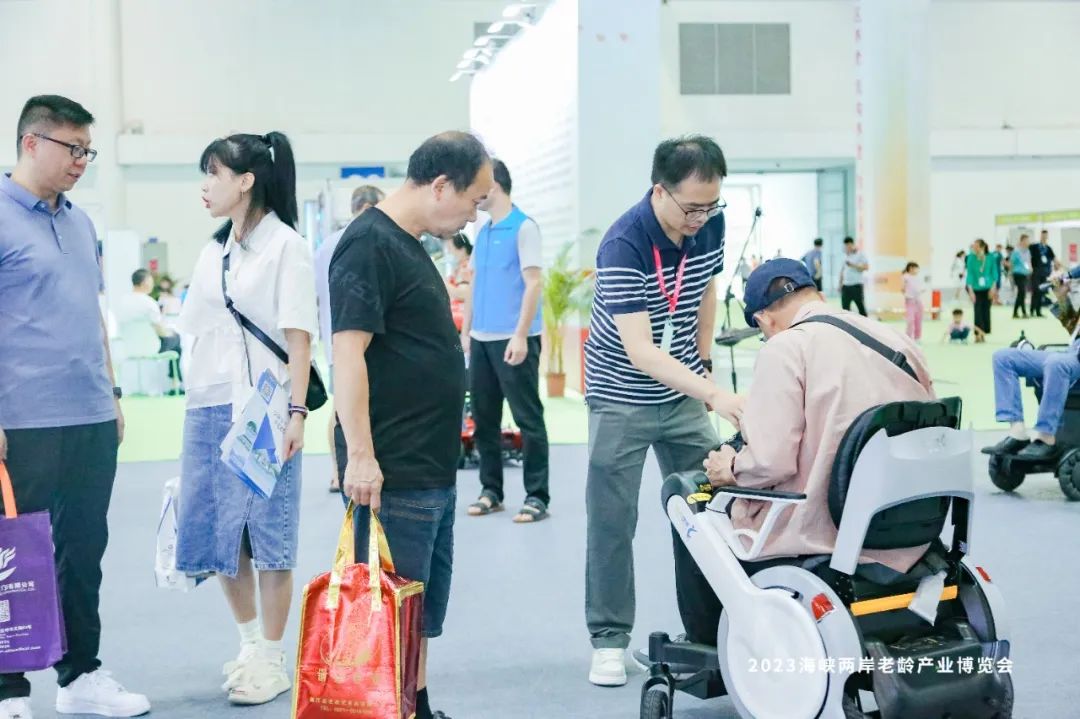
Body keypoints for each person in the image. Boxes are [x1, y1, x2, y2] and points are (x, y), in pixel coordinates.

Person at [330, 131, 493, 719]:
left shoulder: (409, 243)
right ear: (441, 185)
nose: (474, 213)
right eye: (474, 199)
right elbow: (347, 353)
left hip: (429, 463)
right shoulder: (368, 244)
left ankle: (415, 705)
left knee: (416, 608)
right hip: (393, 466)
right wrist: (361, 455)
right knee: (388, 608)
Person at [0, 95, 150, 719]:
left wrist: (110, 394)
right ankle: (8, 687)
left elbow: (93, 315)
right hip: (21, 420)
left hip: (88, 415)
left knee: (83, 552)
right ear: (32, 142)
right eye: (73, 148)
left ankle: (80, 672)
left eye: (88, 151)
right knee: (11, 553)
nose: (82, 161)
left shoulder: (81, 223)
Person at [698, 258, 934, 642]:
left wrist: (731, 467)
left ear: (763, 319)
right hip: (910, 520)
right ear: (816, 294)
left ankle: (709, 645)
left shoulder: (786, 348)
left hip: (827, 527)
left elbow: (771, 461)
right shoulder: (896, 340)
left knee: (690, 505)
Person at [582, 135, 742, 688]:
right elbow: (641, 352)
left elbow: (705, 290)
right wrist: (714, 394)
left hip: (680, 396)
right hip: (619, 397)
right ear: (659, 191)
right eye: (692, 207)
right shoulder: (623, 243)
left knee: (713, 506)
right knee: (612, 520)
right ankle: (608, 641)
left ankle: (717, 631)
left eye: (711, 205)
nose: (702, 218)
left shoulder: (709, 226)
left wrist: (703, 360)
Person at [175, 131, 316, 706]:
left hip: (265, 406)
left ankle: (273, 658)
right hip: (209, 402)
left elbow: (299, 339)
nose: (205, 185)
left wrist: (297, 412)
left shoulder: (287, 246)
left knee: (269, 534)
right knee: (221, 534)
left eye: (214, 173)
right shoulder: (215, 250)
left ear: (246, 181)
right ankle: (251, 643)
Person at [461, 159, 549, 523]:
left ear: (493, 185)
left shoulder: (524, 227)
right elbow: (474, 284)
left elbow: (534, 283)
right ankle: (491, 491)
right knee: (484, 419)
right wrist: (466, 333)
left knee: (528, 419)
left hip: (514, 340)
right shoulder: (483, 232)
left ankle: (537, 496)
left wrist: (520, 335)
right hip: (481, 340)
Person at [313, 184, 384, 492]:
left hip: (334, 339)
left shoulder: (326, 245)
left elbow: (315, 295)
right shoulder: (368, 240)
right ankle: (349, 467)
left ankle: (336, 470)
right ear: (368, 208)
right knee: (349, 407)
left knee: (340, 408)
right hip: (359, 339)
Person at [989, 271, 1080, 462]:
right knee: (1003, 358)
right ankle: (1017, 432)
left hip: (1070, 359)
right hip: (1071, 353)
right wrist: (1062, 296)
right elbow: (1073, 327)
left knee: (1056, 363)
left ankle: (1045, 436)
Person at [114, 268, 183, 383]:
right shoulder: (149, 303)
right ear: (145, 282)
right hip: (151, 348)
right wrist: (170, 332)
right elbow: (161, 331)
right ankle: (175, 382)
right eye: (151, 281)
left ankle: (175, 381)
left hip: (128, 348)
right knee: (176, 338)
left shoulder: (122, 302)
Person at [966, 238, 998, 335]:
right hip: (976, 288)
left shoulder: (990, 257)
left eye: (976, 247)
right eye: (974, 247)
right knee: (977, 310)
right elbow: (970, 274)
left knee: (986, 309)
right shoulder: (971, 258)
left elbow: (994, 272)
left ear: (982, 247)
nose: (974, 249)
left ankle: (985, 331)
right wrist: (970, 290)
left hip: (988, 287)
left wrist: (993, 287)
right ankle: (978, 333)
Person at [444, 232, 473, 332]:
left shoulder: (466, 268)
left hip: (463, 320)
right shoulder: (460, 267)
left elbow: (463, 294)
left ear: (462, 250)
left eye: (450, 249)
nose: (449, 252)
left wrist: (444, 283)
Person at [1029, 229, 1057, 317]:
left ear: (1047, 236)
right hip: (1036, 271)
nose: (1044, 237)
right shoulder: (1034, 246)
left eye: (1046, 235)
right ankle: (1032, 310)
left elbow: (1054, 259)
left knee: (1041, 291)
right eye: (1043, 235)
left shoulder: (1048, 248)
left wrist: (1058, 265)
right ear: (1040, 236)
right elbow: (1028, 255)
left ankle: (1038, 311)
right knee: (1035, 291)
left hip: (1045, 273)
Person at [838, 236, 868, 316]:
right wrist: (840, 284)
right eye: (845, 246)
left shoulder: (860, 254)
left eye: (848, 246)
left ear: (852, 244)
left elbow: (866, 267)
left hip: (856, 285)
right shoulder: (844, 256)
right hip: (845, 286)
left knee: (861, 309)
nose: (847, 248)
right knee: (844, 310)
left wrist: (853, 265)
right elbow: (842, 271)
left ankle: (864, 323)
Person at [1010, 235, 1031, 318]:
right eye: (1026, 240)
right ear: (1022, 241)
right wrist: (1011, 274)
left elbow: (1028, 262)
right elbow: (1012, 263)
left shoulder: (1028, 251)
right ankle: (1023, 312)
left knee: (1021, 294)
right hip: (1017, 274)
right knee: (1021, 292)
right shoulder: (1016, 251)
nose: (1028, 242)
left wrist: (1030, 269)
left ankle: (1015, 312)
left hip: (1025, 274)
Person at [902, 261, 923, 341]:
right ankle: (908, 337)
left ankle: (917, 337)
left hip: (918, 301)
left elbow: (920, 289)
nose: (917, 270)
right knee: (910, 320)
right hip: (910, 301)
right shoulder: (906, 276)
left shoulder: (917, 278)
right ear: (911, 268)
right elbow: (903, 288)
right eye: (916, 268)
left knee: (918, 320)